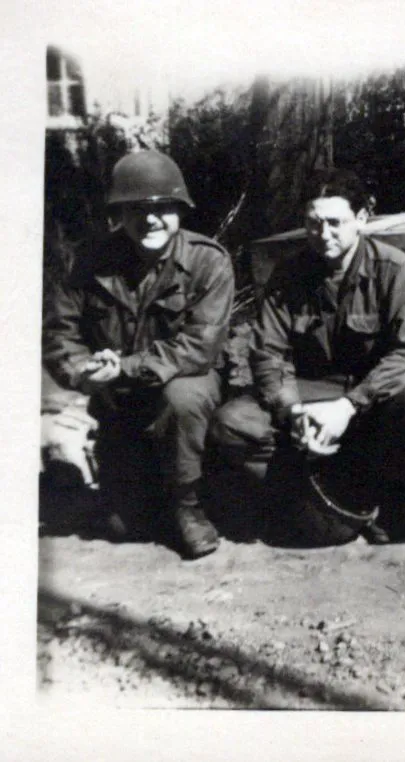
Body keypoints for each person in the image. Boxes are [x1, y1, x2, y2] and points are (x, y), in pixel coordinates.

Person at [208, 168, 405, 545]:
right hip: (311, 398)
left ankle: (388, 497)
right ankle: (313, 489)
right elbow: (268, 353)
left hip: (375, 399)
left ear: (362, 219)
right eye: (313, 223)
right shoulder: (288, 274)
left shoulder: (394, 270)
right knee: (232, 422)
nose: (323, 235)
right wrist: (292, 412)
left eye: (335, 223)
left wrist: (350, 406)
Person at [43, 150, 234, 559]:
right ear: (119, 214)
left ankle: (188, 504)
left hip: (183, 388)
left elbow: (199, 348)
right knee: (121, 528)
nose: (148, 219)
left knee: (184, 396)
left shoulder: (208, 261)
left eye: (161, 207)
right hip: (118, 400)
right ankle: (146, 488)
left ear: (180, 210)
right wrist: (83, 372)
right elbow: (60, 332)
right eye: (134, 209)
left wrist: (123, 368)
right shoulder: (90, 261)